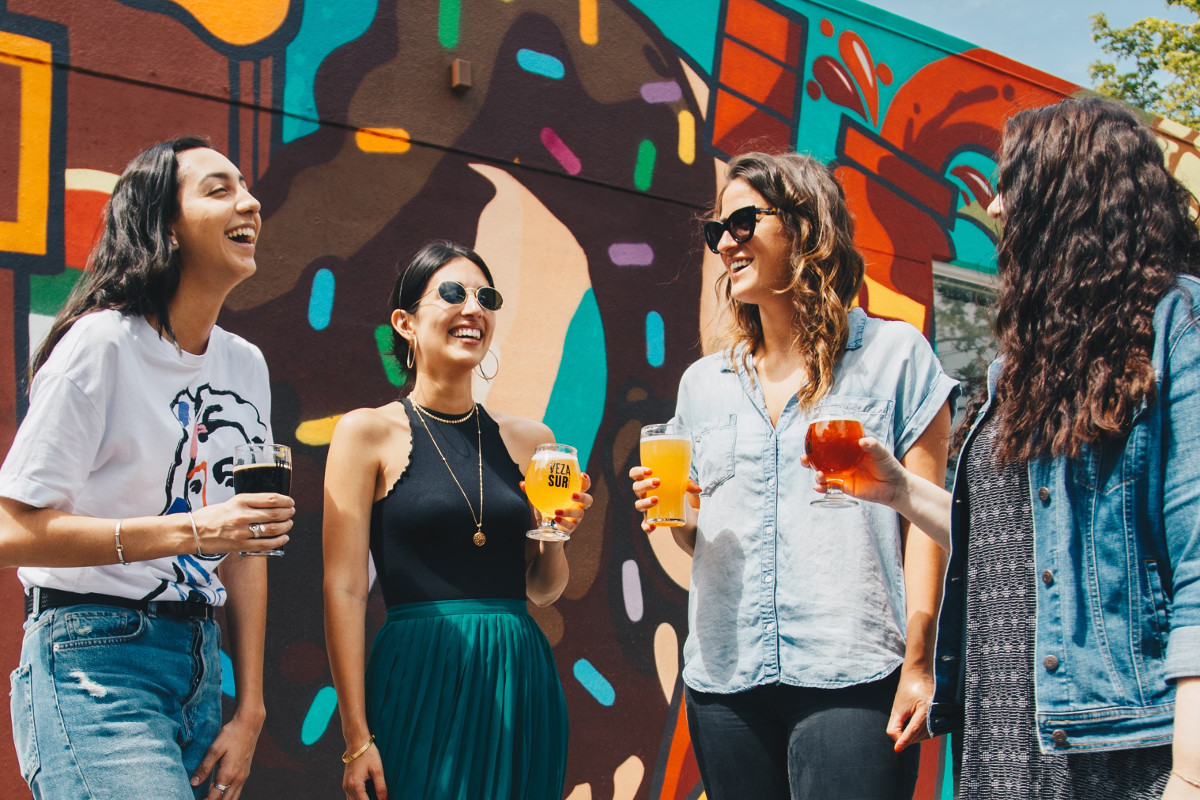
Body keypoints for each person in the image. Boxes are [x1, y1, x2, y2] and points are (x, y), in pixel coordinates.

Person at [809, 97, 1200, 799]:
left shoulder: (1176, 326)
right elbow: (1009, 544)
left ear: (1068, 194)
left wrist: (1193, 774)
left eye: (1010, 184)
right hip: (1004, 725)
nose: (994, 206)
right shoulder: (1018, 367)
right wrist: (899, 489)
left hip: (1118, 742)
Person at [629, 151, 959, 799]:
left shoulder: (895, 357)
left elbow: (930, 525)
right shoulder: (703, 385)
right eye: (716, 230)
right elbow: (700, 540)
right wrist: (682, 520)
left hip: (854, 675)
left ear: (807, 226)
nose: (726, 242)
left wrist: (920, 663)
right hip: (725, 683)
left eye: (744, 221)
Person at [0, 137, 294, 800]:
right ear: (165, 225)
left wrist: (250, 710)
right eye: (218, 189)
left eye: (245, 188)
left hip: (196, 663)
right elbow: (11, 530)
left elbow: (244, 546)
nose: (248, 201)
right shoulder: (101, 345)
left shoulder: (245, 366)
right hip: (92, 656)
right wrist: (193, 531)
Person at [322, 240, 592, 800]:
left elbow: (544, 590)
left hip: (518, 673)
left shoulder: (534, 442)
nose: (473, 308)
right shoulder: (365, 432)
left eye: (485, 296)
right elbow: (344, 589)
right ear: (405, 323)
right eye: (451, 293)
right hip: (419, 673)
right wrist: (355, 736)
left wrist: (555, 535)